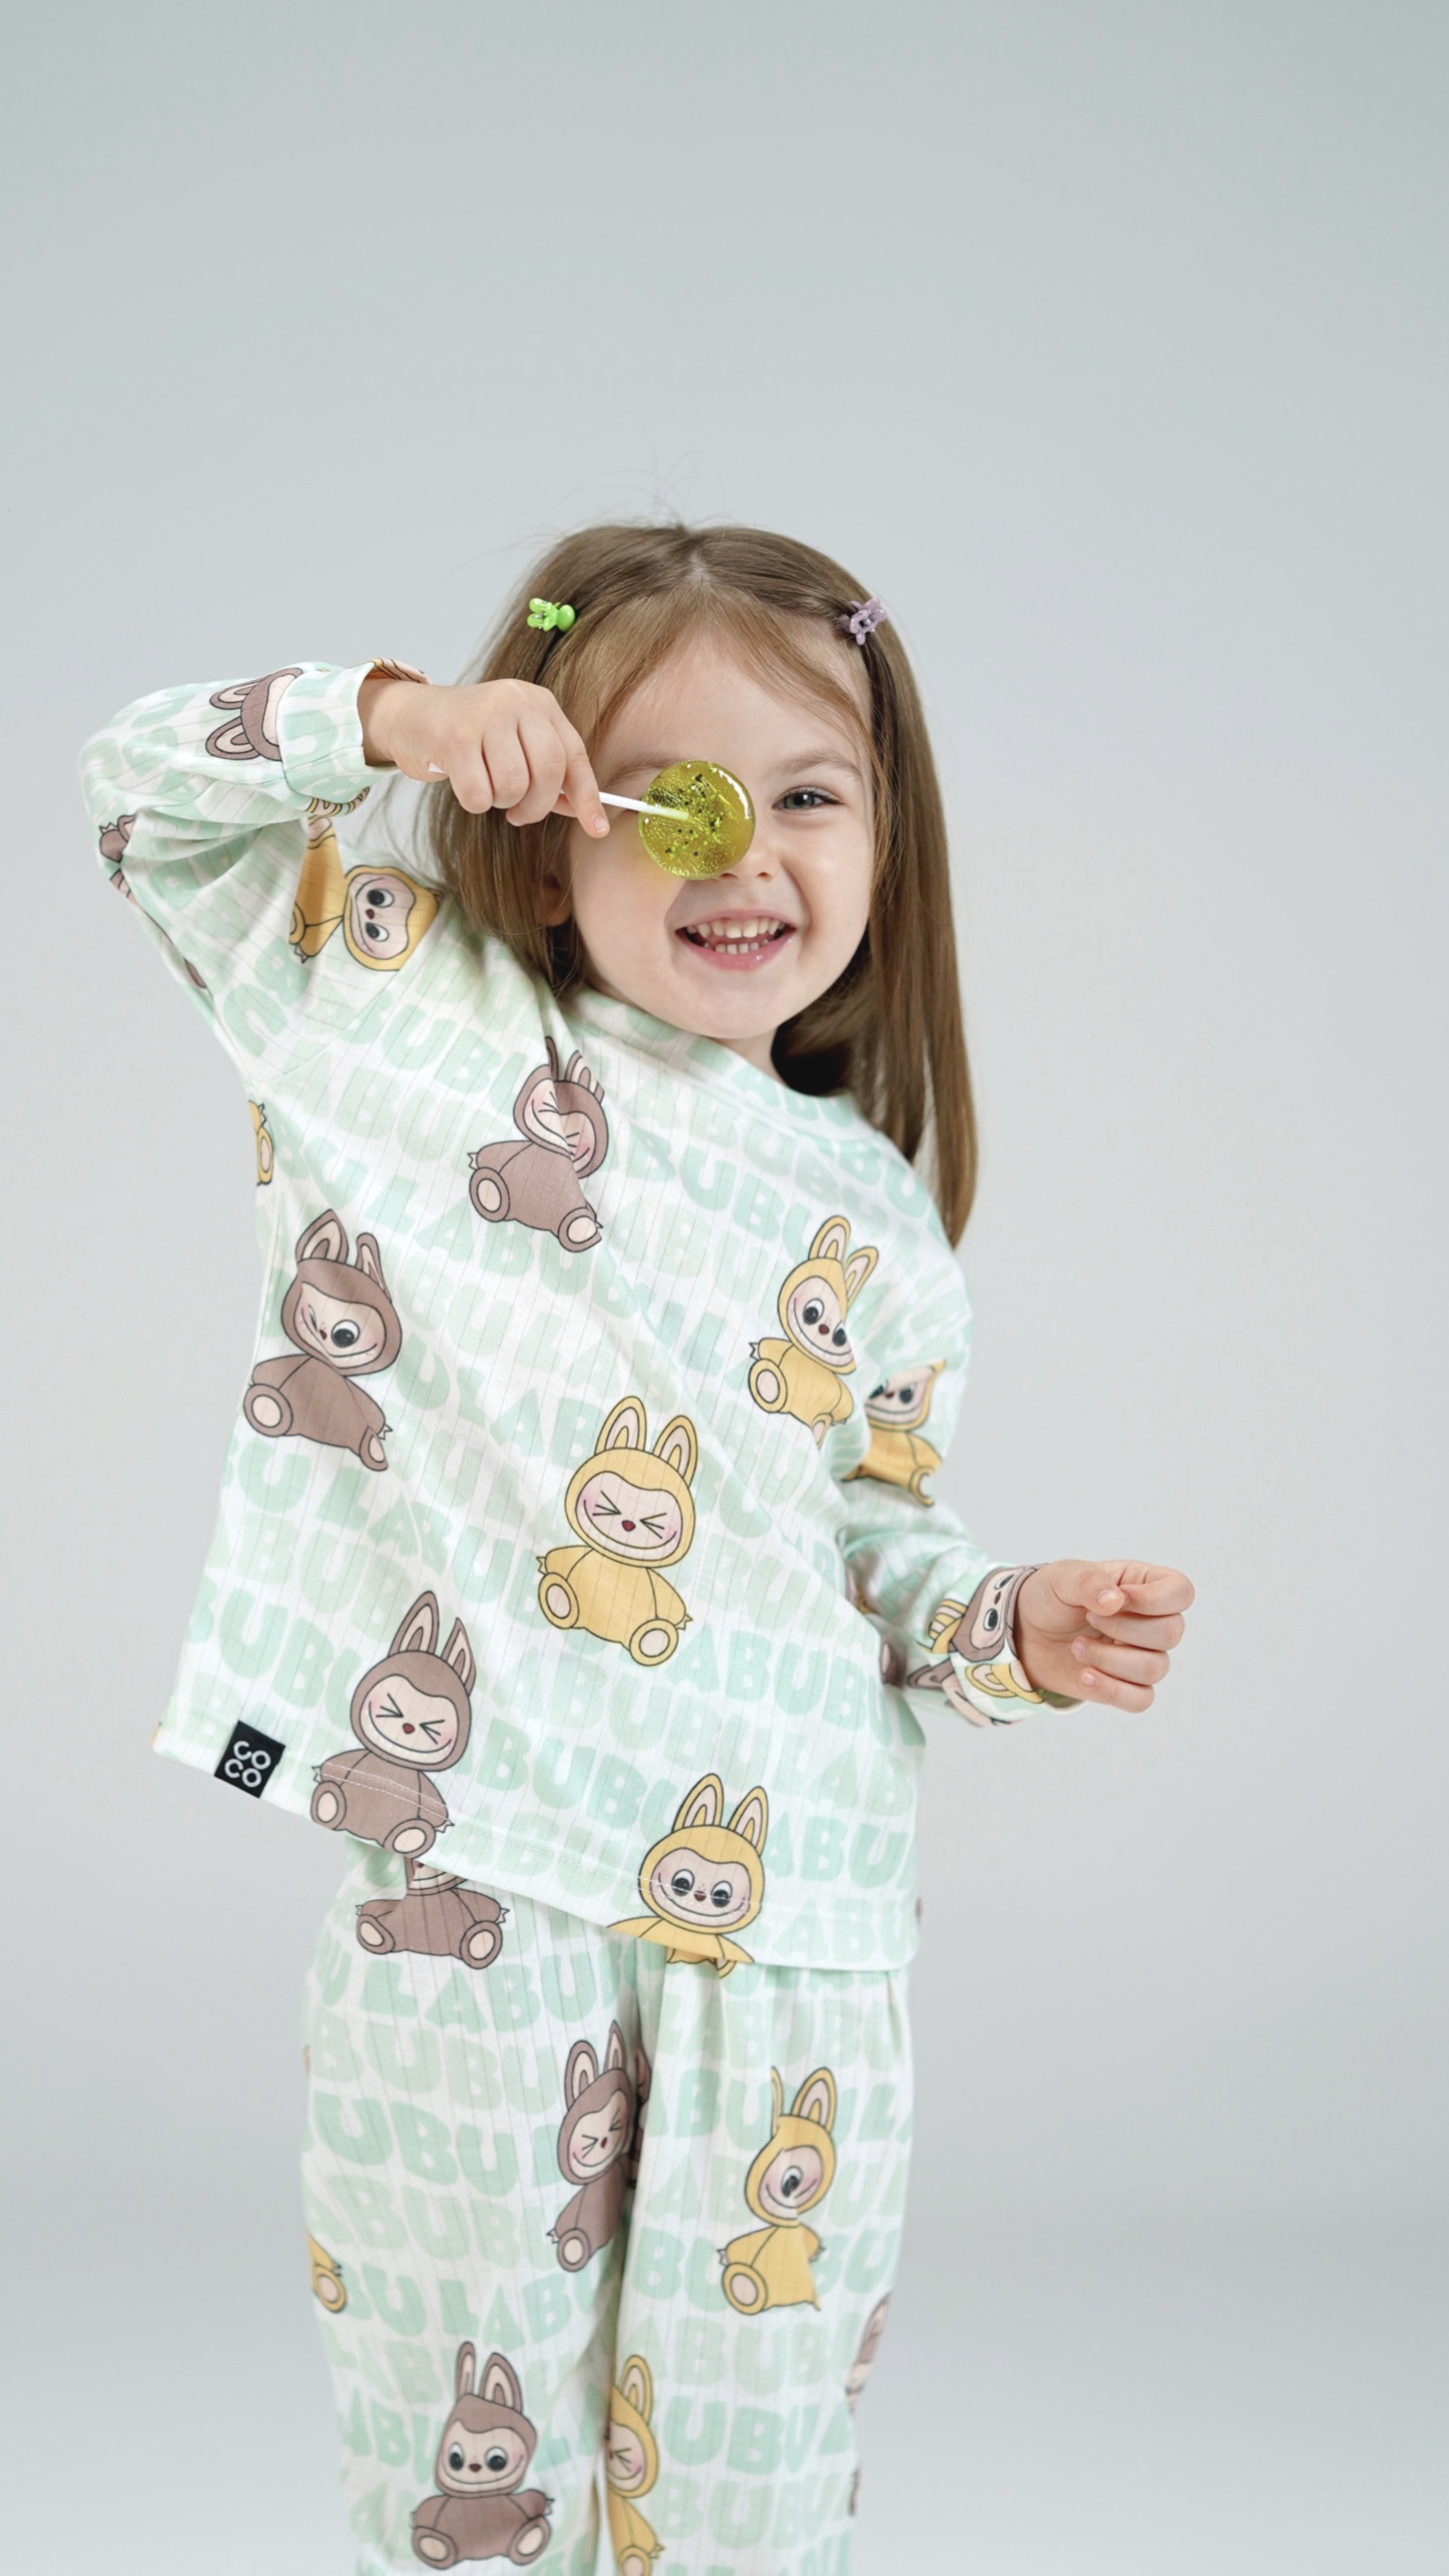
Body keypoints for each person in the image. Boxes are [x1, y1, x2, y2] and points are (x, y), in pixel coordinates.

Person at [81, 521, 1193, 2574]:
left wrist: (1004, 1624)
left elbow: (867, 1544)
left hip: (791, 1940)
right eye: (673, 798)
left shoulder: (871, 1216)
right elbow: (139, 793)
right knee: (466, 2485)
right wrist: (393, 720)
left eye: (808, 797)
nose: (741, 853)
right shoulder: (394, 994)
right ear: (550, 833)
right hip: (476, 1879)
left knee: (749, 2508)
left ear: (886, 846)